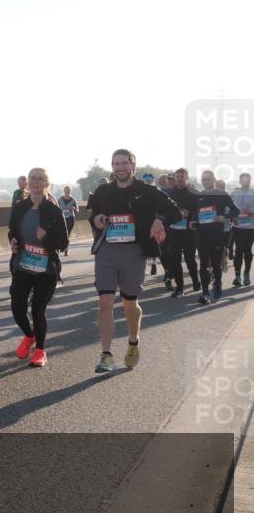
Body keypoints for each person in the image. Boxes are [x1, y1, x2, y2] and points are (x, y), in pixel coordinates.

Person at [88, 149, 180, 373]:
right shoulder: (103, 191)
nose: (120, 167)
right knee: (105, 302)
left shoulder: (147, 191)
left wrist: (159, 220)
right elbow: (92, 214)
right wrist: (97, 218)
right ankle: (106, 355)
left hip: (134, 252)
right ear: (112, 167)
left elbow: (175, 212)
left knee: (129, 304)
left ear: (133, 166)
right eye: (116, 163)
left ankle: (133, 340)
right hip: (107, 250)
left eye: (124, 163)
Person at [8, 168, 68, 367]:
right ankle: (29, 335)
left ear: (46, 183)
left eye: (39, 179)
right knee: (17, 307)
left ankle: (40, 351)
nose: (35, 182)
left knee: (37, 310)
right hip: (23, 265)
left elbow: (63, 242)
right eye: (32, 178)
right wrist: (13, 241)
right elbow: (11, 230)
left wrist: (46, 237)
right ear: (27, 182)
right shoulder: (19, 207)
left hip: (46, 269)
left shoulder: (53, 210)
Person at [193, 172, 239, 304]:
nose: (205, 182)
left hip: (217, 234)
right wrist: (192, 221)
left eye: (207, 179)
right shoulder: (199, 195)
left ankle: (217, 284)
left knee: (215, 263)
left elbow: (235, 210)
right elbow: (195, 213)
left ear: (213, 179)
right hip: (201, 234)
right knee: (203, 264)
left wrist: (224, 217)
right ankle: (205, 293)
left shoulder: (222, 194)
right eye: (203, 180)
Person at [166, 168, 200, 297]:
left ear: (187, 178)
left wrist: (190, 215)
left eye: (182, 176)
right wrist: (176, 213)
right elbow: (165, 210)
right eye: (177, 176)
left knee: (190, 260)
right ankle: (179, 287)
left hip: (189, 232)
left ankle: (195, 281)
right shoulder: (169, 193)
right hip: (174, 231)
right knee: (175, 260)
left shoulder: (194, 193)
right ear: (175, 178)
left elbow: (198, 210)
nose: (179, 179)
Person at [231, 172, 254, 287]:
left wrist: (251, 211)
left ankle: (246, 274)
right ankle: (237, 276)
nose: (246, 181)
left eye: (248, 179)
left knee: (247, 250)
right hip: (237, 226)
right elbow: (227, 208)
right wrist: (233, 215)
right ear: (240, 181)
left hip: (251, 227)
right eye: (244, 179)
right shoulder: (234, 193)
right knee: (239, 250)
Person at [57, 186, 79, 257]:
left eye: (68, 190)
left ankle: (66, 250)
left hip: (70, 219)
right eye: (66, 190)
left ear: (70, 191)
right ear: (64, 191)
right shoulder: (59, 200)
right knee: (60, 234)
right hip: (61, 219)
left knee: (67, 235)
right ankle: (60, 247)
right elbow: (55, 208)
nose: (67, 192)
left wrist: (74, 209)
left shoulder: (73, 200)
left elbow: (77, 210)